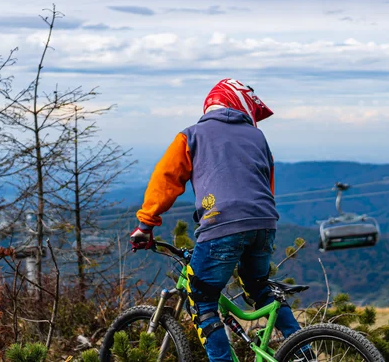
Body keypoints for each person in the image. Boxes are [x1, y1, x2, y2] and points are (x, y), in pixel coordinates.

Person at [130, 78, 314, 361]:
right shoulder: (258, 137)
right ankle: (305, 353)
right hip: (264, 222)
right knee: (259, 288)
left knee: (203, 300)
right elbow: (266, 183)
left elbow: (165, 180)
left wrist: (146, 224)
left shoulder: (192, 135)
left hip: (221, 225)